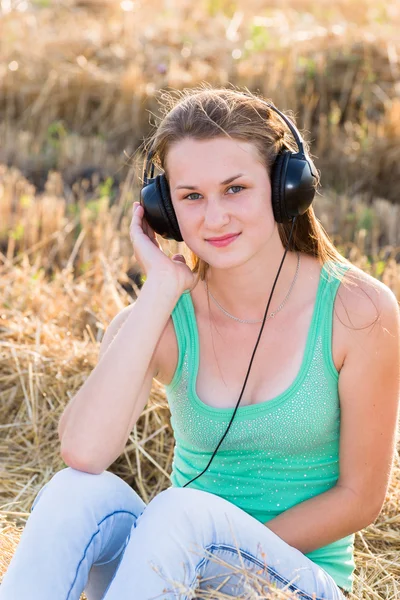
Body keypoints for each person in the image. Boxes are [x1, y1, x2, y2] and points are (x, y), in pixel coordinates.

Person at [1, 85, 399, 600]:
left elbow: (359, 498)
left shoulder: (358, 310)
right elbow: (83, 450)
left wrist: (215, 564)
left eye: (235, 189)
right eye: (191, 196)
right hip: (172, 563)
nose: (214, 218)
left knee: (181, 511)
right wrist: (159, 294)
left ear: (286, 187)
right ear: (164, 209)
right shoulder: (165, 317)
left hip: (295, 579)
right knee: (73, 493)